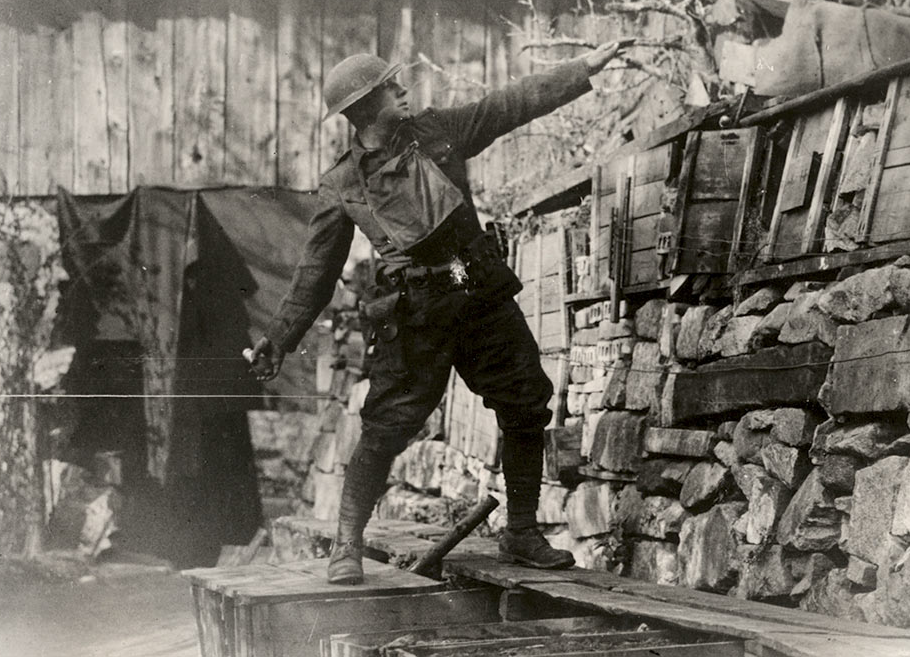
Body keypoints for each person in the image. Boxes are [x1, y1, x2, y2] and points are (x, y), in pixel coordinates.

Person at [249, 40, 627, 584]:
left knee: (526, 404)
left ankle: (520, 532)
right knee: (383, 429)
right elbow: (315, 274)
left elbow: (506, 104)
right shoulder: (341, 185)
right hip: (413, 315)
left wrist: (580, 70)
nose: (403, 91)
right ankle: (346, 548)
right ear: (363, 107)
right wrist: (279, 339)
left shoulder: (437, 132)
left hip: (475, 294)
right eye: (390, 88)